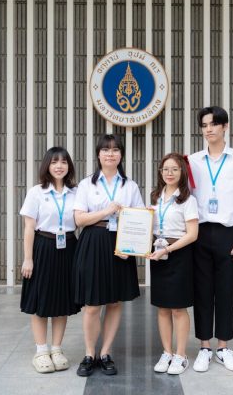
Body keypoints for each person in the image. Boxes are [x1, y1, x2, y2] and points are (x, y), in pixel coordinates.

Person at [73, 134, 144, 377]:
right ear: (98, 155)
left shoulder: (130, 186)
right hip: (94, 241)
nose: (110, 154)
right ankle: (89, 353)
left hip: (120, 244)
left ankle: (105, 353)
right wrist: (108, 210)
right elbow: (79, 219)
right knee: (92, 304)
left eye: (115, 150)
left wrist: (130, 247)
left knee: (114, 302)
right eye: (105, 150)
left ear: (121, 155)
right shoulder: (86, 184)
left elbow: (140, 220)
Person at [188, 106, 233, 373]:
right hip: (199, 232)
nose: (209, 129)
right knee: (202, 291)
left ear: (225, 127)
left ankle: (223, 347)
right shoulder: (192, 160)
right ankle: (204, 347)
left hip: (228, 232)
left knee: (225, 291)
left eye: (214, 124)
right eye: (204, 125)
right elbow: (185, 197)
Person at [20, 147, 81, 373]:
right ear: (47, 165)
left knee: (62, 300)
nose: (59, 166)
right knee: (41, 301)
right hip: (43, 246)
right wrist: (28, 258)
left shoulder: (75, 192)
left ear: (69, 166)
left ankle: (56, 348)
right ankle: (41, 350)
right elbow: (28, 227)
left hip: (69, 247)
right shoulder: (37, 192)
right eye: (54, 161)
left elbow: (82, 218)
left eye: (63, 162)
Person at [149, 153, 199, 375]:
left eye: (174, 169)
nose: (169, 173)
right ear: (160, 172)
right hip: (157, 253)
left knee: (178, 308)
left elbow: (193, 235)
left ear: (182, 173)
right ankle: (166, 352)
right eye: (165, 169)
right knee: (162, 308)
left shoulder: (188, 199)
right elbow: (145, 226)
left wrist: (166, 250)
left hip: (177, 254)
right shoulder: (154, 197)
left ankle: (181, 355)